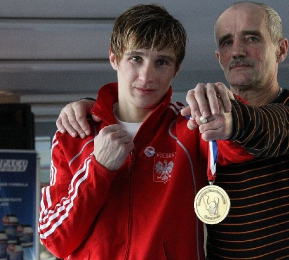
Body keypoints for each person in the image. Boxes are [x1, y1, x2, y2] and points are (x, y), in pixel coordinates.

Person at [57, 2, 289, 259]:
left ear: (281, 49)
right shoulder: (205, 128)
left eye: (252, 38)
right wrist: (98, 111)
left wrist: (235, 124)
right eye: (228, 42)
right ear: (219, 57)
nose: (238, 50)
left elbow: (286, 128)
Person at [38, 4, 252, 259]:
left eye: (161, 62)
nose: (146, 75)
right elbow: (55, 240)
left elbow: (242, 150)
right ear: (114, 58)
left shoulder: (190, 128)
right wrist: (99, 168)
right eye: (136, 58)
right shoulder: (74, 134)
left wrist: (231, 111)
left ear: (176, 68)